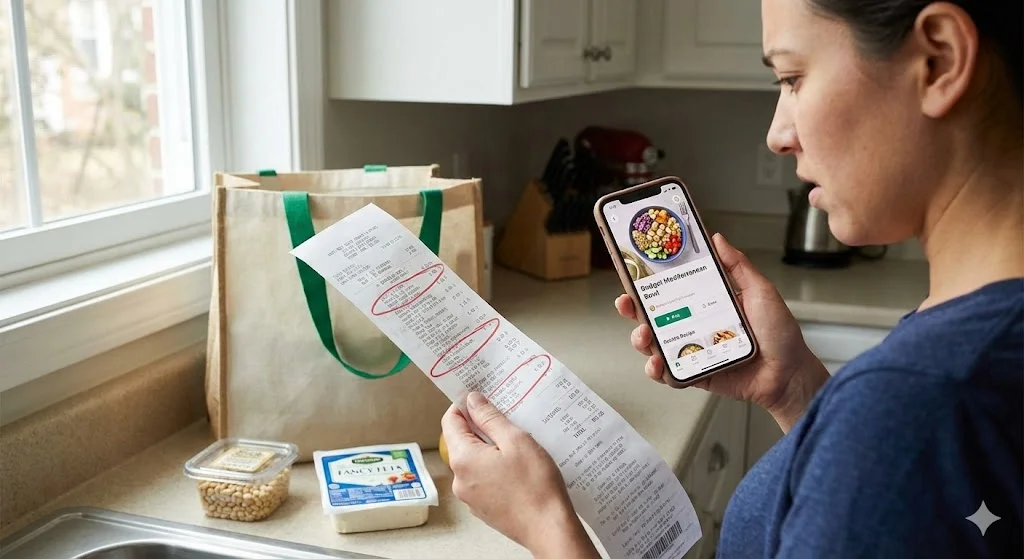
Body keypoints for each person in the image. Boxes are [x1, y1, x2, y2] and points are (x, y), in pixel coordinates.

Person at [440, 0, 1023, 556]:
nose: (778, 134)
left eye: (792, 78)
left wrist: (546, 526)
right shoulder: (966, 349)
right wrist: (796, 391)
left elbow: (903, 453)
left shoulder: (922, 397)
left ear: (939, 60)